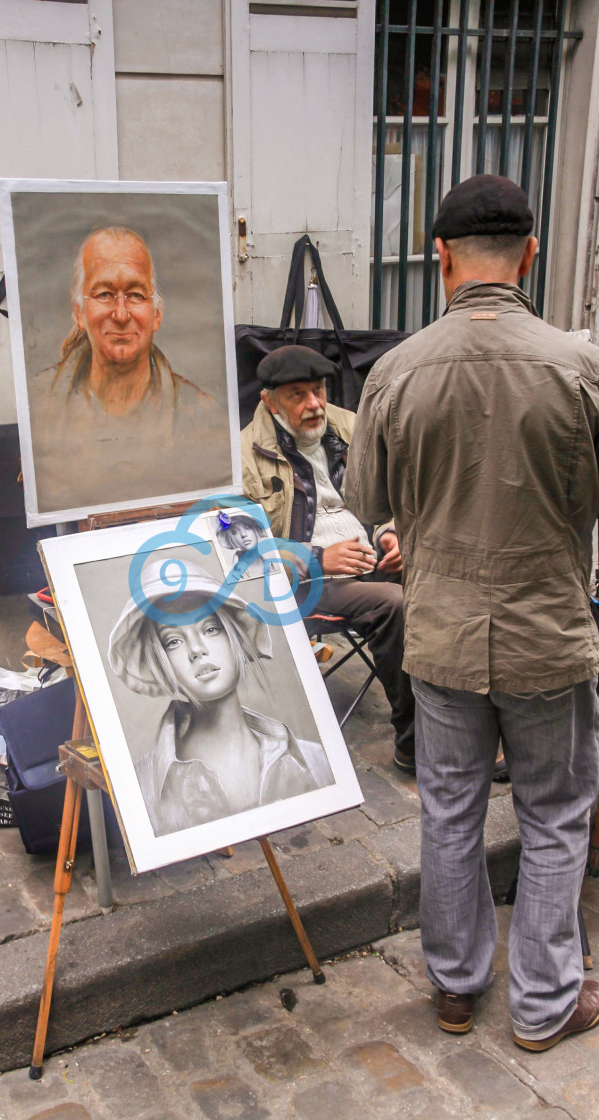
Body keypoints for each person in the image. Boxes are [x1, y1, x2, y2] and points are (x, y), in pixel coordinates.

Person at [344, 174, 599, 1050]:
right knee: (555, 813)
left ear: (439, 256)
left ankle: (455, 989)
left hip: (442, 632)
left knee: (447, 811)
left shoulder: (394, 371)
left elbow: (366, 498)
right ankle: (543, 1004)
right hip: (547, 633)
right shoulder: (578, 366)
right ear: (530, 252)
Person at [241, 344, 416, 774]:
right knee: (394, 604)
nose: (314, 404)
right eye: (298, 395)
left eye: (318, 390)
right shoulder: (244, 455)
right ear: (271, 402)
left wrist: (390, 532)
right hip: (303, 584)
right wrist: (318, 558)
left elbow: (393, 493)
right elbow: (246, 554)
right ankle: (415, 742)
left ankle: (462, 722)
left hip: (368, 555)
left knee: (443, 577)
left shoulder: (349, 427)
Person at [107, 558, 333, 836]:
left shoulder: (313, 758)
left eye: (211, 629)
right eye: (173, 641)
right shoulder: (140, 786)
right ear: (159, 660)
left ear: (235, 636)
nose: (197, 650)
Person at [29, 226, 227, 512]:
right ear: (79, 314)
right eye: (104, 294)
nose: (121, 315)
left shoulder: (204, 417)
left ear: (156, 315)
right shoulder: (38, 405)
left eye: (135, 295)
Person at [215, 513, 270, 580]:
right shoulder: (230, 571)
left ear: (255, 531)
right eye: (235, 532)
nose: (243, 534)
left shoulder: (271, 564)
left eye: (247, 528)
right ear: (231, 539)